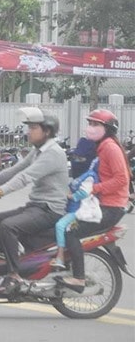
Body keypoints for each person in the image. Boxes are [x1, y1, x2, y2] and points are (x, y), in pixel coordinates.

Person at [0, 107, 69, 283]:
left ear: (47, 131)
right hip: (36, 207)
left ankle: (14, 274)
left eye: (33, 128)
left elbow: (25, 177)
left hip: (50, 209)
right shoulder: (38, 151)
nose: (28, 132)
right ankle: (14, 259)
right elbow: (14, 170)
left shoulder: (53, 153)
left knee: (8, 226)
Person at [59, 109, 132, 291]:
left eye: (95, 124)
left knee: (71, 233)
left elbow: (121, 179)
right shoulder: (102, 146)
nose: (90, 128)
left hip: (110, 208)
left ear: (107, 129)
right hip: (105, 204)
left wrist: (94, 189)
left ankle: (79, 278)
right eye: (90, 123)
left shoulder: (110, 147)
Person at [50, 158, 100, 273]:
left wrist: (70, 196)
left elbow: (83, 193)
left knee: (60, 226)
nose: (76, 160)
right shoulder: (87, 174)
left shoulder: (90, 176)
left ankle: (60, 256)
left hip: (78, 210)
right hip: (71, 208)